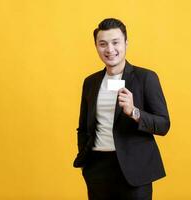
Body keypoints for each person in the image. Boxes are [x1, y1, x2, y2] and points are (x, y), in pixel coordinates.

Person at [73, 18, 170, 200]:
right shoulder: (91, 82)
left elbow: (164, 124)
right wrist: (85, 163)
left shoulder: (145, 78)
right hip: (97, 169)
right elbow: (83, 128)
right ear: (96, 46)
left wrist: (134, 112)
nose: (110, 50)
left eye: (115, 42)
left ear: (126, 43)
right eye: (103, 44)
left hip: (134, 172)